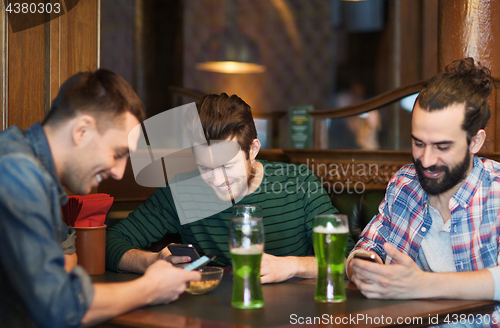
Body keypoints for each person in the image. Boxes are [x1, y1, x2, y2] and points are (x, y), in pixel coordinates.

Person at [0, 69, 200, 328]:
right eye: (118, 153)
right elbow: (58, 307)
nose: (118, 173)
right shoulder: (18, 173)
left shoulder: (34, 170)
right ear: (82, 130)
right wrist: (150, 288)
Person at [106, 93, 353, 284]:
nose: (217, 179)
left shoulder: (299, 183)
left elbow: (347, 256)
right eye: (205, 167)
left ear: (253, 150)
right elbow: (110, 243)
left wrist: (292, 267)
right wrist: (152, 261)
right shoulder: (182, 192)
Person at [347, 57, 500, 303]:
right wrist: (363, 268)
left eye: (442, 146)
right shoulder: (404, 184)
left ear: (475, 142)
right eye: (418, 143)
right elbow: (366, 248)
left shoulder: (495, 191)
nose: (426, 160)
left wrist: (422, 284)